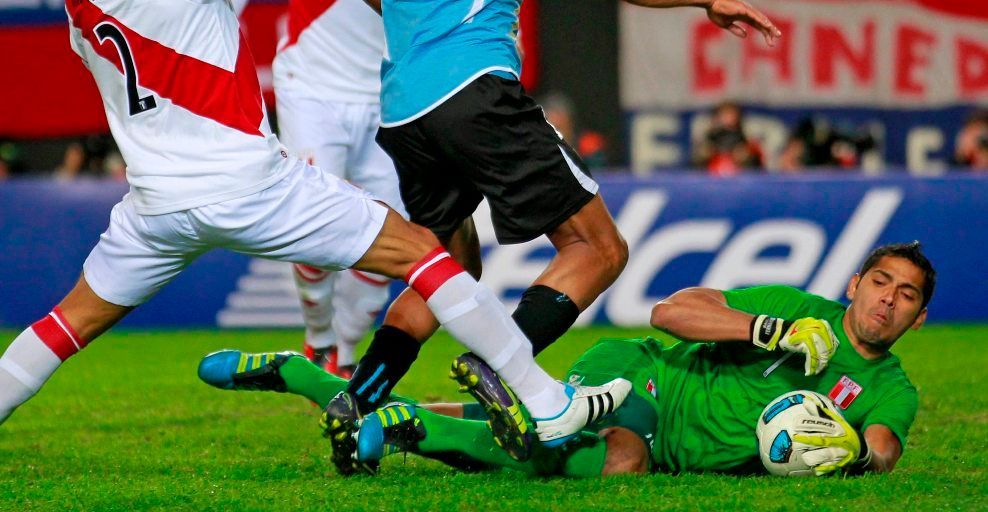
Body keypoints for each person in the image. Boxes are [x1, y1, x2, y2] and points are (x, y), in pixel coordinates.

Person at [0, 0, 632, 461]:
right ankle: (546, 402)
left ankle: (345, 376)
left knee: (64, 322)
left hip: (153, 205)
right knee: (425, 254)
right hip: (246, 182)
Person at [329, 0, 780, 472]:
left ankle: (358, 399)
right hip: (474, 90)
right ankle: (496, 369)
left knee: (444, 271)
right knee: (599, 248)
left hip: (402, 108)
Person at [200, 241, 933, 477]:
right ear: (853, 284)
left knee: (540, 436)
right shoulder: (801, 307)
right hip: (643, 379)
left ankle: (332, 390)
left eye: (904, 297)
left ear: (918, 317)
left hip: (680, 449)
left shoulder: (889, 385)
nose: (886, 302)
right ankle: (414, 431)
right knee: (613, 456)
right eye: (879, 283)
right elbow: (671, 312)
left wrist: (850, 452)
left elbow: (884, 446)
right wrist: (765, 329)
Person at [225, 0, 410, 378]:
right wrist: (218, 26)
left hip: (390, 93)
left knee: (384, 249)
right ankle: (318, 335)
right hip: (311, 88)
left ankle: (347, 355)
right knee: (313, 234)